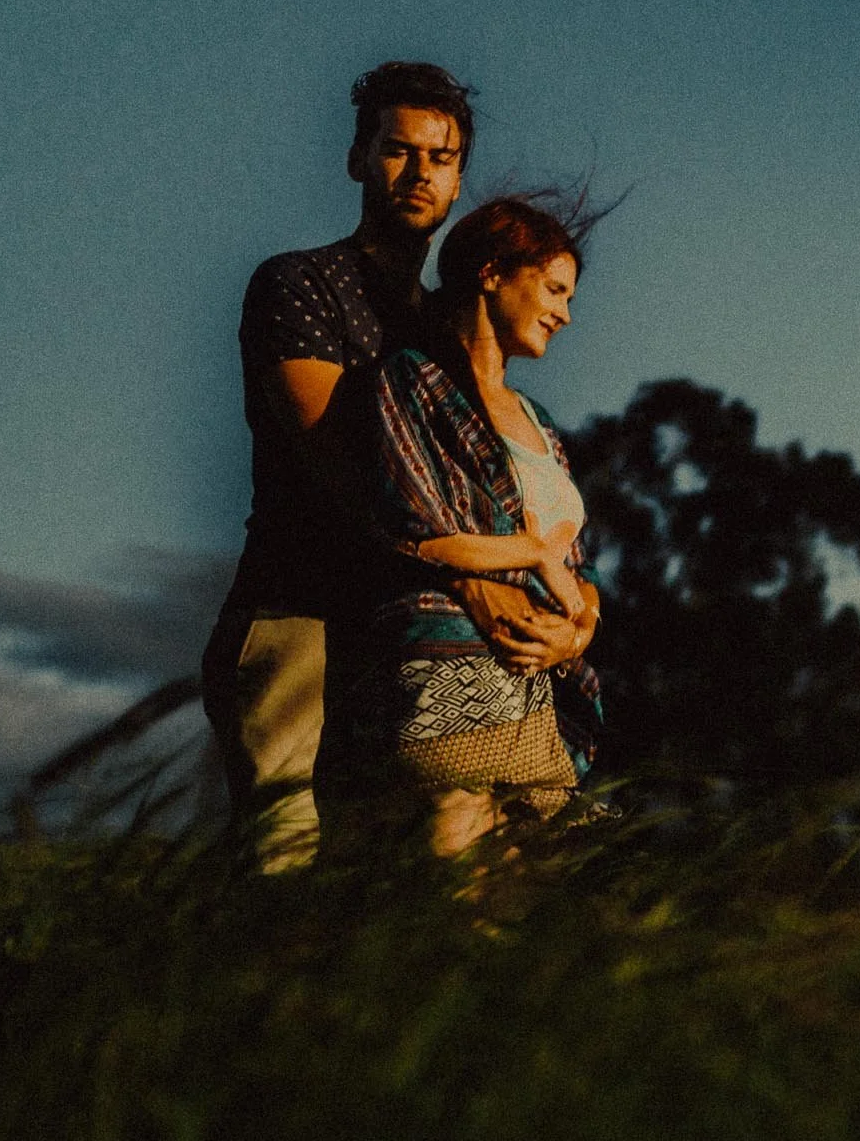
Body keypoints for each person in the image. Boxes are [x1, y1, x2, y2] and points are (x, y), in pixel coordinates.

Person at [201, 62, 590, 868]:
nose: (419, 174)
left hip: (411, 643)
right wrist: (475, 580)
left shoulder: (444, 329)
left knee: (392, 902)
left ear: (458, 179)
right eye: (398, 150)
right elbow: (337, 465)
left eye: (441, 158)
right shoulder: (301, 284)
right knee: (284, 869)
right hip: (299, 613)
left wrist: (569, 612)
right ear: (357, 158)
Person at [348, 193, 608, 857]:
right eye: (554, 288)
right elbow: (411, 516)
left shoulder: (540, 421)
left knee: (513, 906)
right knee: (453, 878)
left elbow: (584, 565)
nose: (565, 313)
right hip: (450, 663)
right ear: (492, 271)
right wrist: (531, 558)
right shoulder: (413, 379)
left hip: (538, 682)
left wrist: (576, 631)